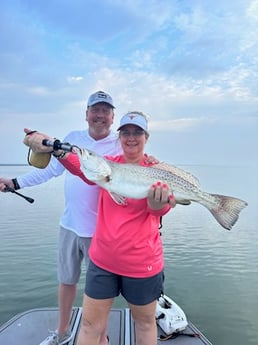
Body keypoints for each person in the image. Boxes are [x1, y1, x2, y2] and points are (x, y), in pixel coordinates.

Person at [23, 111, 176, 345]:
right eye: (126, 132)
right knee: (89, 325)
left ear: (147, 136)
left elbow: (161, 210)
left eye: (137, 132)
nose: (131, 137)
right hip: (102, 260)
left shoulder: (157, 170)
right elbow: (80, 166)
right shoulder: (108, 165)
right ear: (120, 136)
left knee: (145, 324)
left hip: (142, 263)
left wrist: (158, 206)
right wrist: (56, 148)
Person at [0, 91, 121, 345]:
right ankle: (62, 332)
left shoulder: (120, 144)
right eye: (95, 110)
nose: (100, 115)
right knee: (66, 282)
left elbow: (135, 168)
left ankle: (101, 336)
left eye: (105, 111)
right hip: (69, 225)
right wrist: (15, 182)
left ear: (112, 117)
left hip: (100, 230)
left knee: (100, 290)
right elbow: (50, 172)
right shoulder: (72, 139)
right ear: (86, 113)